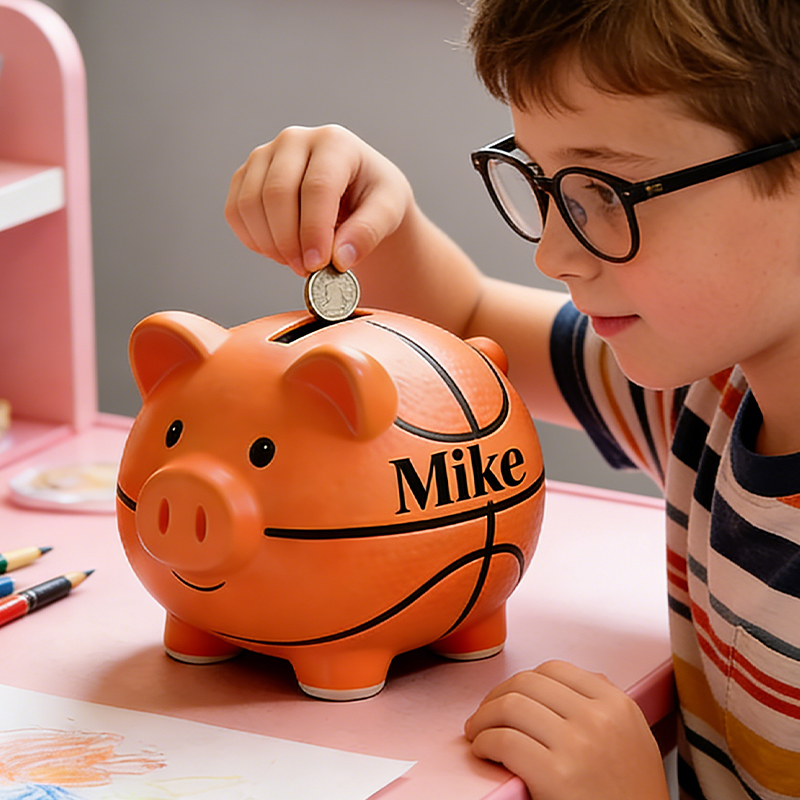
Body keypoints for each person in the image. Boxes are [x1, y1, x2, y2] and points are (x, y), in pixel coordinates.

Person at [224, 1, 800, 797]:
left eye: (608, 188)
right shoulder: (710, 402)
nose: (553, 252)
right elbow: (462, 324)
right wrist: (374, 217)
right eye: (547, 182)